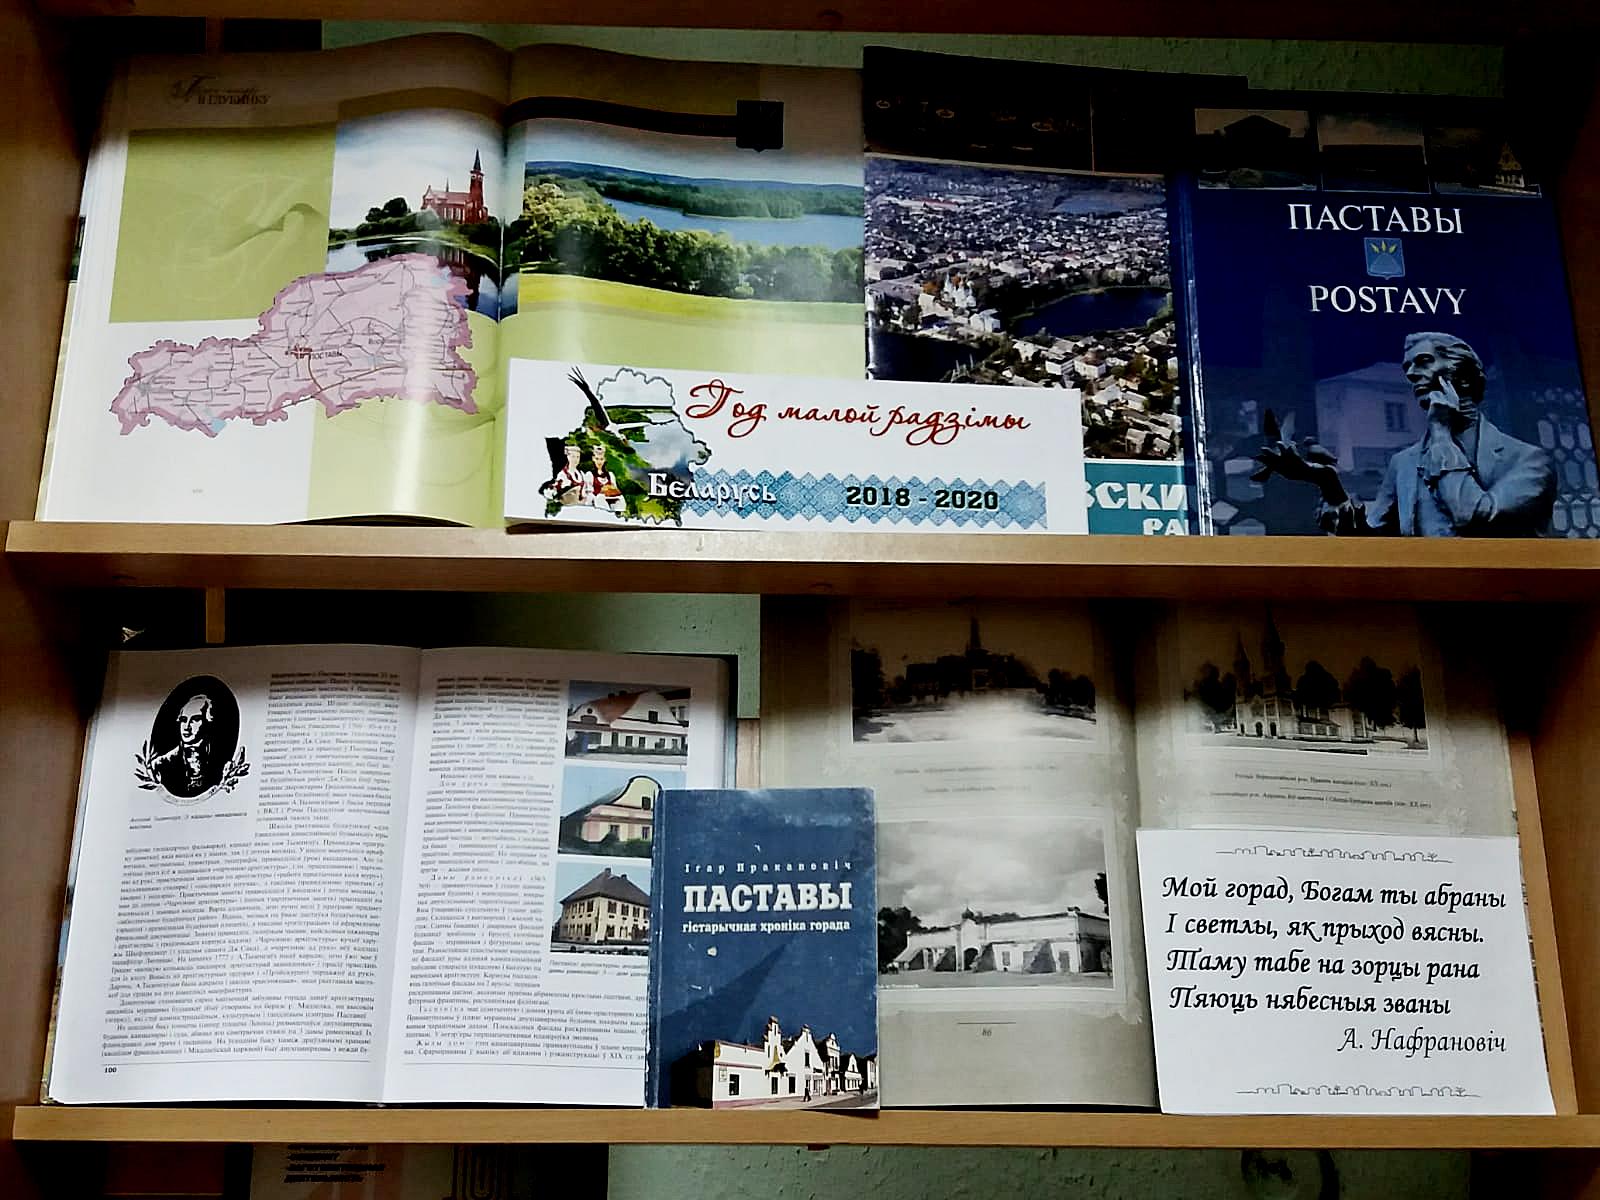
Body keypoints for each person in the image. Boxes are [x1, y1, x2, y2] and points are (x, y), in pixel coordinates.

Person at [1254, 332, 1557, 536]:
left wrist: (1441, 436)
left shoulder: (1528, 460)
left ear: (1464, 378)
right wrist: (1327, 482)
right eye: (1408, 366)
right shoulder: (1405, 463)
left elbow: (1474, 518)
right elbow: (1371, 540)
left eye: (1423, 361)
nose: (1411, 373)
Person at [151, 694, 223, 798]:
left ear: (208, 722)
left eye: (195, 719)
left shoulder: (221, 759)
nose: (187, 727)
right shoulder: (161, 764)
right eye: (184, 720)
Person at [539, 441, 589, 507]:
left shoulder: (581, 474)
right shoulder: (563, 475)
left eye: (578, 457)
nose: (576, 459)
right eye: (573, 456)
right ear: (568, 457)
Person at [586, 444, 626, 514]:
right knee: (600, 498)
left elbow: (615, 490)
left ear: (604, 459)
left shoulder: (610, 475)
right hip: (597, 502)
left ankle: (617, 514)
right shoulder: (590, 475)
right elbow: (589, 494)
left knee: (620, 499)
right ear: (593, 459)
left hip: (611, 500)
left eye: (601, 459)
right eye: (597, 459)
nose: (599, 462)